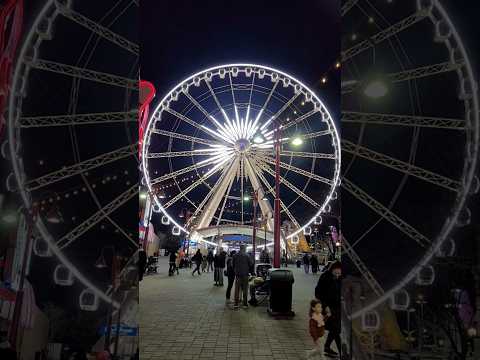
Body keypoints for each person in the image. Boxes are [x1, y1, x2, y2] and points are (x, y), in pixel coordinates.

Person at [315, 261, 342, 358]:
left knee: (336, 330)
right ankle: (342, 353)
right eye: (336, 273)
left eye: (340, 273)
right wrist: (325, 307)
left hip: (337, 308)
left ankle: (327, 347)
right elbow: (318, 293)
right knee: (335, 329)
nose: (338, 275)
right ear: (332, 269)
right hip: (327, 307)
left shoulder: (339, 279)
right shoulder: (325, 277)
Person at [233, 244, 253, 309]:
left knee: (237, 289)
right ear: (244, 248)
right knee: (245, 289)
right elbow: (251, 264)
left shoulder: (235, 255)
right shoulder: (247, 255)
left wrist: (235, 270)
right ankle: (244, 304)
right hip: (245, 275)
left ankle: (236, 304)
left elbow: (232, 264)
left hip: (238, 275)